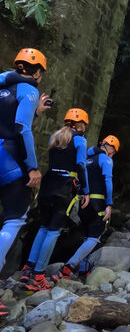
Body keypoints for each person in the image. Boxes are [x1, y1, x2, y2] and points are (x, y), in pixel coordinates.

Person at [0, 48, 48, 315]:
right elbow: (21, 129)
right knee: (15, 218)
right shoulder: (28, 91)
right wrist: (32, 168)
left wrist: (36, 111)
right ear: (38, 72)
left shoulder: (3, 84)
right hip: (7, 159)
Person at [22, 108, 90, 291]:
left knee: (43, 228)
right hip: (64, 189)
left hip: (48, 185)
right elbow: (81, 166)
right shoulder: (80, 140)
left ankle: (27, 269)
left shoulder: (56, 137)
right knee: (53, 232)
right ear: (82, 125)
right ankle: (38, 275)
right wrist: (87, 191)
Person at [52, 134, 120, 281]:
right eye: (114, 152)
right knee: (94, 238)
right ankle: (68, 268)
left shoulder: (87, 159)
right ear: (111, 148)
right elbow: (108, 182)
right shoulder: (105, 160)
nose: (113, 155)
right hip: (98, 203)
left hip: (84, 202)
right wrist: (109, 204)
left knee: (87, 237)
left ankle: (83, 270)